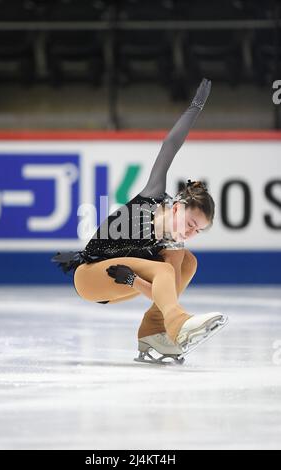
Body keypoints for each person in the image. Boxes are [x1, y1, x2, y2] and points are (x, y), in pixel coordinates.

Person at [52, 78, 228, 364]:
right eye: (190, 223)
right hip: (89, 275)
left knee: (187, 263)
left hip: (120, 282)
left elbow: (162, 293)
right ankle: (178, 325)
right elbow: (170, 145)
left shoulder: (175, 244)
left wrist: (134, 281)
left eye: (198, 230)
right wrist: (196, 106)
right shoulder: (154, 195)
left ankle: (153, 332)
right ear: (177, 207)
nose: (190, 232)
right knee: (166, 273)